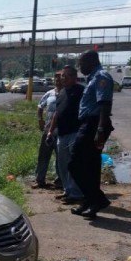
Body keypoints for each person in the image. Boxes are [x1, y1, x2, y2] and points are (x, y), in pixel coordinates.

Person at [69, 50, 114, 219]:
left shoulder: (101, 76)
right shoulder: (93, 77)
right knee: (90, 166)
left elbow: (104, 104)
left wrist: (100, 130)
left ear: (91, 61)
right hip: (91, 124)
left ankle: (98, 199)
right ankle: (90, 202)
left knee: (74, 163)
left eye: (81, 64)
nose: (80, 68)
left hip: (94, 124)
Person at [47, 67, 85, 204]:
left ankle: (76, 194)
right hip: (61, 134)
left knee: (73, 164)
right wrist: (51, 130)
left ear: (75, 77)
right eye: (63, 76)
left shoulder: (81, 91)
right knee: (62, 164)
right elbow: (57, 113)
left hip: (75, 133)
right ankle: (67, 190)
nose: (64, 78)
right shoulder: (62, 92)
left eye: (68, 76)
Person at [33, 71, 62, 189]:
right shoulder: (49, 94)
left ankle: (60, 180)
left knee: (61, 157)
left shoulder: (67, 93)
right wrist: (40, 120)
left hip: (62, 131)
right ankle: (40, 179)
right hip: (48, 130)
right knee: (43, 155)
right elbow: (40, 107)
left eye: (60, 78)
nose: (57, 80)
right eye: (56, 78)